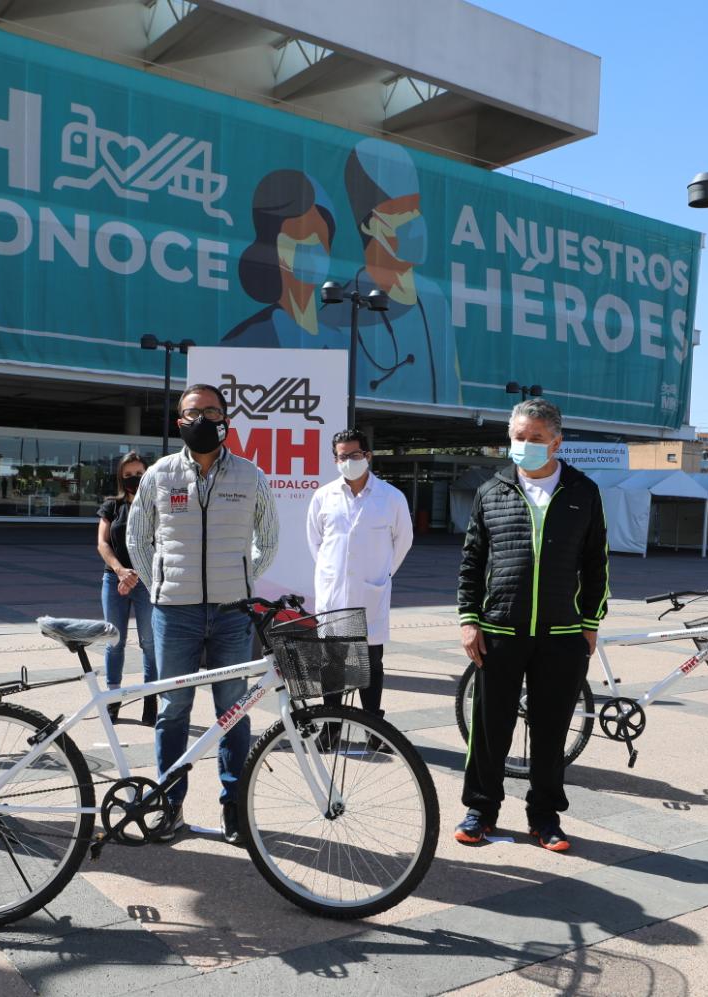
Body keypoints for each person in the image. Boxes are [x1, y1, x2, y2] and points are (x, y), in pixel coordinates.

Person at [127, 383, 279, 846]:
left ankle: (234, 806)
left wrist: (241, 580)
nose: (203, 420)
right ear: (180, 423)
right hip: (174, 614)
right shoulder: (159, 474)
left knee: (233, 712)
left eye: (212, 411)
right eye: (194, 413)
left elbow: (268, 539)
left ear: (227, 419)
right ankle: (169, 802)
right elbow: (137, 539)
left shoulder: (250, 475)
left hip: (234, 615)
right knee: (173, 711)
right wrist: (164, 586)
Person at [455, 397, 608, 852]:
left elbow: (597, 562)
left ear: (556, 442)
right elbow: (471, 561)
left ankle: (544, 816)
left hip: (562, 635)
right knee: (489, 727)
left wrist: (590, 621)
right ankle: (481, 810)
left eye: (536, 439)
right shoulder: (492, 490)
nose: (525, 446)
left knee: (551, 729)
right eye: (519, 438)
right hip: (500, 629)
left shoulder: (583, 491)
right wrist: (469, 619)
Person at [306, 429, 413, 743]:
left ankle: (372, 728)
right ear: (334, 459)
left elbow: (403, 541)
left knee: (371, 663)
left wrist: (381, 574)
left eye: (355, 455)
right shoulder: (323, 496)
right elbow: (315, 541)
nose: (349, 461)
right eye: (343, 456)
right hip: (334, 593)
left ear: (368, 456)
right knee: (332, 663)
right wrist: (335, 572)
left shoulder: (391, 497)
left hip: (371, 592)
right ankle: (332, 727)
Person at [338, 138, 459, 405]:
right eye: (401, 210)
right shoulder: (341, 310)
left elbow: (453, 391)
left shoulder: (435, 299)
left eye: (415, 207)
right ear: (370, 225)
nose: (416, 218)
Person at [221, 170, 343, 350]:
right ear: (276, 250)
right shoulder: (242, 342)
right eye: (300, 241)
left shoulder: (342, 344)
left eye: (319, 241)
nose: (311, 253)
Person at [96, 451, 158, 726]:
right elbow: (102, 543)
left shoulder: (157, 505)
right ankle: (113, 699)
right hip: (115, 580)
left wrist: (140, 573)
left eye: (139, 474)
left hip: (147, 582)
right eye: (129, 475)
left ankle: (150, 699)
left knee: (149, 643)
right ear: (121, 477)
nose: (135, 479)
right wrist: (121, 571)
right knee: (114, 642)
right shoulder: (112, 506)